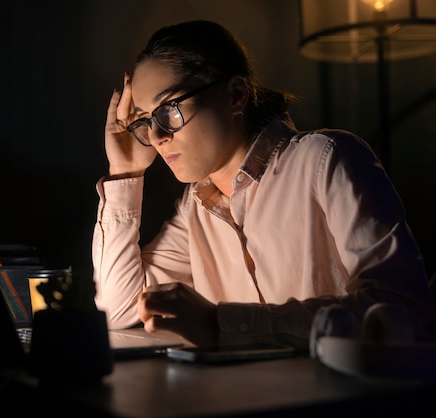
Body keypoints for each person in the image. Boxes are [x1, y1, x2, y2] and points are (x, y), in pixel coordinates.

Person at [91, 19, 435, 351]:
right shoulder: (195, 206)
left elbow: (402, 313)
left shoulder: (327, 160)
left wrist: (222, 323)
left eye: (169, 110)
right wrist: (124, 171)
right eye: (146, 120)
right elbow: (117, 310)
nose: (157, 136)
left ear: (236, 95)